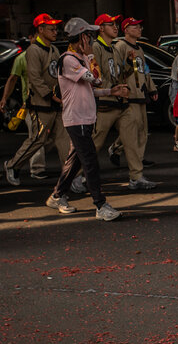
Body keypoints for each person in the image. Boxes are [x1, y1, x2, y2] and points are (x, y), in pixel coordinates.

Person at [47, 18, 128, 222]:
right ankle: (100, 205)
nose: (91, 40)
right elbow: (96, 78)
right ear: (82, 37)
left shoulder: (78, 59)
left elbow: (91, 89)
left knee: (75, 161)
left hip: (84, 118)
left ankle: (57, 195)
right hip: (77, 120)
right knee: (90, 161)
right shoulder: (69, 60)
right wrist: (90, 55)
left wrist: (111, 91)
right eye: (89, 36)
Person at [69, 13, 150, 193]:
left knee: (131, 139)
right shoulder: (95, 47)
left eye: (115, 24)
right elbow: (94, 76)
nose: (115, 27)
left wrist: (129, 65)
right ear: (101, 28)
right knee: (94, 143)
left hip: (120, 102)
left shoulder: (112, 48)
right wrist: (111, 89)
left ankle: (136, 176)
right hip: (105, 103)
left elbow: (120, 73)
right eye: (110, 24)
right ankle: (75, 176)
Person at [4, 13, 71, 186]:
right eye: (51, 29)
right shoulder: (34, 51)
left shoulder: (54, 49)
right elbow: (35, 78)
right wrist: (52, 96)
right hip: (40, 104)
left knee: (63, 139)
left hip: (55, 103)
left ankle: (71, 175)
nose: (55, 32)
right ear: (40, 30)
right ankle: (12, 165)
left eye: (56, 29)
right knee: (37, 139)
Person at [110, 17, 158, 188]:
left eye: (140, 26)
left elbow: (145, 70)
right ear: (126, 30)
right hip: (129, 94)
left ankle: (133, 164)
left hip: (140, 93)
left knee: (142, 131)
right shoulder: (121, 46)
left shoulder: (139, 48)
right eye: (135, 27)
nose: (139, 29)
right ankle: (134, 172)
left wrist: (151, 88)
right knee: (133, 131)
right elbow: (116, 70)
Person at [0, 39, 48, 179]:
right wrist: (4, 98)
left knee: (47, 136)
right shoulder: (22, 58)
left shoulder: (49, 54)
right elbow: (12, 79)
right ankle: (36, 168)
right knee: (36, 136)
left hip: (50, 103)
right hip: (31, 104)